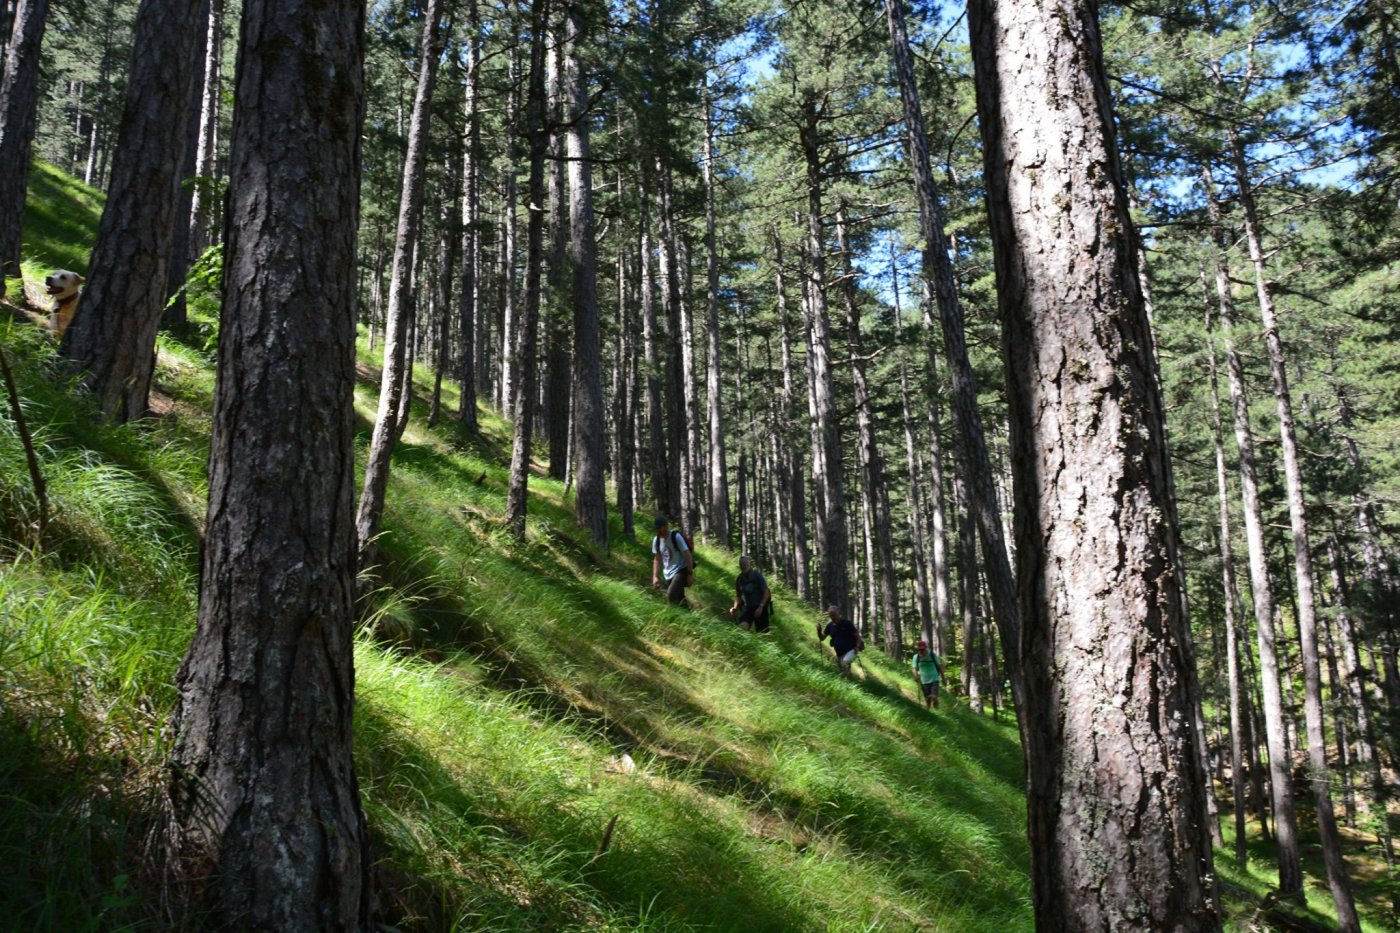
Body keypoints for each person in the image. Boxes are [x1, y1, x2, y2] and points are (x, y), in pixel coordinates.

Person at [651, 516, 692, 606]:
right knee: (680, 599)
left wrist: (689, 574)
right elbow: (657, 559)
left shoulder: (675, 536)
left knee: (671, 595)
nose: (657, 531)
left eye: (659, 528)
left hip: (680, 570)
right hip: (668, 574)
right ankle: (689, 617)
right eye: (656, 529)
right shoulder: (656, 540)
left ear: (665, 526)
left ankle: (671, 617)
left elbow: (688, 555)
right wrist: (655, 577)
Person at [729, 555, 771, 631]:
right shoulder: (739, 579)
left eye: (745, 564)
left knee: (763, 635)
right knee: (741, 628)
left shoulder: (757, 576)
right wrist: (734, 607)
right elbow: (738, 596)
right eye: (741, 564)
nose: (743, 566)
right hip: (747, 609)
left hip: (760, 608)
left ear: (749, 564)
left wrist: (761, 607)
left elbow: (766, 592)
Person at [817, 605, 861, 676]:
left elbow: (857, 636)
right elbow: (822, 638)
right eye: (831, 616)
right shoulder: (830, 626)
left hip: (851, 650)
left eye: (834, 615)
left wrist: (857, 647)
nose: (832, 617)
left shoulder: (847, 623)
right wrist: (819, 631)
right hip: (839, 654)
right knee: (842, 671)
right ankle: (849, 679)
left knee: (845, 663)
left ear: (838, 613)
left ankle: (849, 679)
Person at [911, 639, 945, 710]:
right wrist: (915, 676)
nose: (921, 651)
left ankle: (936, 707)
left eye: (922, 649)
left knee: (934, 696)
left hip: (934, 678)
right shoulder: (916, 657)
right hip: (924, 680)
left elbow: (939, 666)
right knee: (927, 699)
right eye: (920, 650)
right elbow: (914, 668)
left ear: (926, 648)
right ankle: (929, 711)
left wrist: (943, 678)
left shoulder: (932, 655)